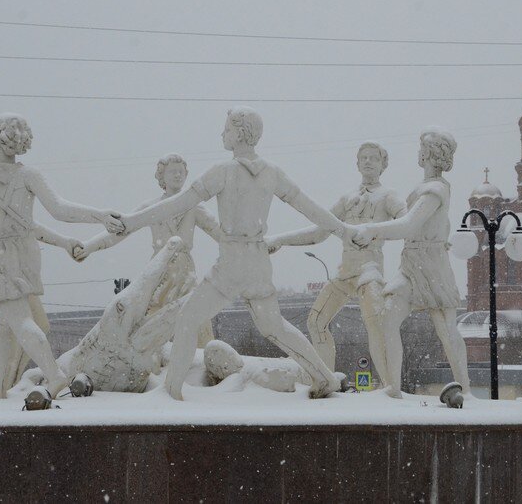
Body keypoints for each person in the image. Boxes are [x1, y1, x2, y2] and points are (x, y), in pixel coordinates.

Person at [118, 107, 353, 400]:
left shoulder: (223, 172)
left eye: (226, 129)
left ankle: (172, 392)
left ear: (240, 134)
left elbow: (178, 203)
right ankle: (324, 377)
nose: (222, 134)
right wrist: (345, 231)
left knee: (188, 320)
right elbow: (310, 207)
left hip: (231, 263)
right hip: (257, 261)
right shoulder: (272, 173)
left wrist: (131, 221)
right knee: (275, 327)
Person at [0, 113, 124, 398]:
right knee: (6, 321)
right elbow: (60, 210)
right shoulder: (29, 176)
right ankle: (0, 389)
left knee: (20, 319)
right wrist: (98, 215)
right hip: (27, 251)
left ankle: (54, 375)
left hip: (3, 253)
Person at [266, 142, 405, 385]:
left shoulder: (388, 196)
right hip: (344, 274)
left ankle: (390, 388)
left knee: (377, 328)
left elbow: (407, 223)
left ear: (384, 165)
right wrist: (281, 240)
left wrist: (373, 230)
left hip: (369, 272)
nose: (368, 161)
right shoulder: (347, 199)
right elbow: (319, 231)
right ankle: (325, 380)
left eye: (374, 158)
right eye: (363, 157)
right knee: (316, 321)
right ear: (357, 163)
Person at [353, 129, 471, 398]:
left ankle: (465, 389)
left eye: (422, 149)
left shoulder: (435, 189)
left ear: (429, 154)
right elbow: (420, 224)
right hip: (411, 262)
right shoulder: (424, 188)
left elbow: (409, 224)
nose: (419, 153)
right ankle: (393, 388)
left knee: (446, 329)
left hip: (431, 266)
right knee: (388, 319)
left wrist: (372, 230)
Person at [0, 131, 82, 395]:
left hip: (8, 257)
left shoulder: (10, 181)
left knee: (15, 322)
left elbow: (29, 225)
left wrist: (62, 241)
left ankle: (3, 385)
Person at [74, 153, 221, 346]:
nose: (178, 175)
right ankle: (153, 360)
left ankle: (200, 359)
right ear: (162, 177)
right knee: (153, 316)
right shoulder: (151, 207)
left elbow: (218, 231)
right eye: (172, 172)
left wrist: (251, 244)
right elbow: (121, 230)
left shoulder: (193, 207)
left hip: (185, 270)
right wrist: (90, 246)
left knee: (195, 316)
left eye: (181, 172)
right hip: (159, 268)